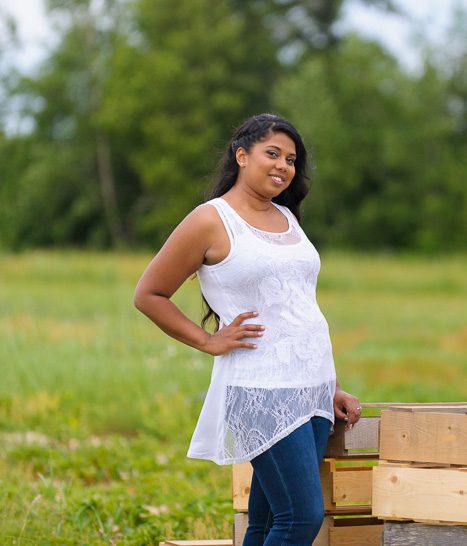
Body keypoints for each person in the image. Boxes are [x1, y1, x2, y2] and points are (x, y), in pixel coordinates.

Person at [134, 113, 361, 545]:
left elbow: (294, 309)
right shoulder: (210, 220)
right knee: (301, 517)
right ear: (241, 155)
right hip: (261, 388)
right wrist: (207, 340)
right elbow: (149, 294)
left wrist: (328, 386)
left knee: (267, 520)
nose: (283, 166)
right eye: (271, 154)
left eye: (291, 159)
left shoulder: (287, 218)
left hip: (310, 388)